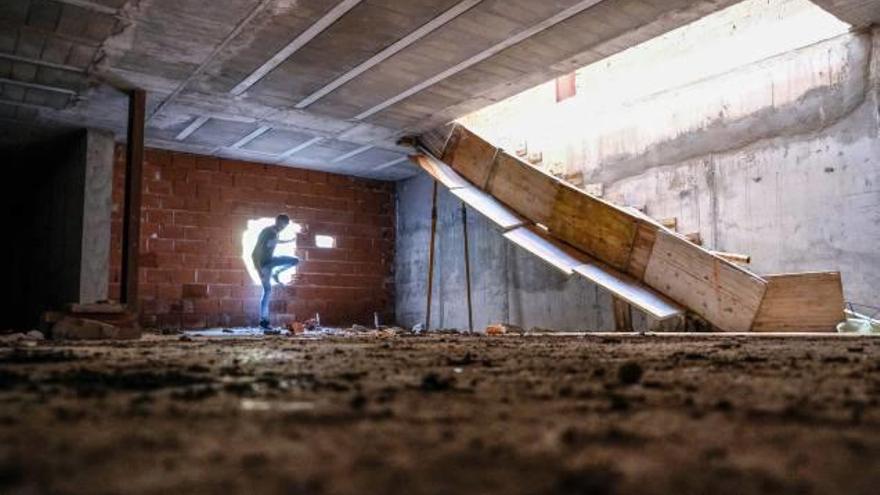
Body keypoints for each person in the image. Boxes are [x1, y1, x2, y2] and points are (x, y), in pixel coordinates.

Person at [252, 214, 300, 330]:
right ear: (277, 221)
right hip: (264, 266)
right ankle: (264, 321)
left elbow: (276, 241)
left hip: (272, 261)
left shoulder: (275, 233)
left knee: (294, 260)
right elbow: (254, 253)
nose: (282, 228)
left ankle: (276, 273)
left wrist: (290, 240)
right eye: (281, 225)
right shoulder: (267, 232)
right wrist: (259, 271)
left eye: (284, 226)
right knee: (267, 291)